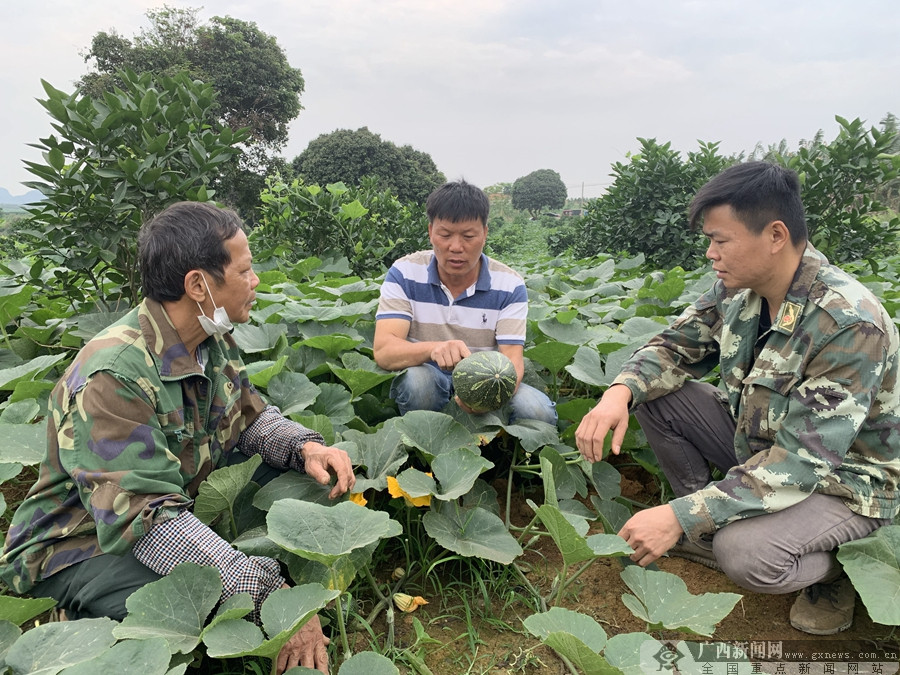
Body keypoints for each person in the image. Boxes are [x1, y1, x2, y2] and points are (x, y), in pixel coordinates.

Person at [0, 202, 356, 674]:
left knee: (308, 478)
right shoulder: (112, 375)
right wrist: (272, 595)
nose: (255, 282)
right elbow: (150, 523)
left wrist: (306, 446)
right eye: (246, 271)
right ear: (198, 285)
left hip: (165, 509)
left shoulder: (210, 337)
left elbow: (249, 418)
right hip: (80, 543)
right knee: (193, 618)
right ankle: (80, 619)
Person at [575, 162, 900, 635]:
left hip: (846, 482)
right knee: (657, 396)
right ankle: (708, 523)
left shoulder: (848, 323)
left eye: (720, 241)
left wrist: (679, 514)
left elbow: (803, 463)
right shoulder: (738, 289)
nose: (711, 254)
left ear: (775, 234)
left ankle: (842, 568)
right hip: (760, 446)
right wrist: (617, 393)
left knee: (745, 556)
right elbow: (672, 345)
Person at [373, 179, 557, 425]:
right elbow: (384, 350)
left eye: (468, 236)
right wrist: (433, 349)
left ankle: (495, 453)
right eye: (445, 234)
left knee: (538, 412)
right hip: (427, 371)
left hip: (488, 381)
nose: (456, 247)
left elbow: (513, 359)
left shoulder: (509, 284)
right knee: (418, 383)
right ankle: (426, 445)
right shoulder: (404, 272)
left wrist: (486, 398)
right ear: (430, 232)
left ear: (485, 234)